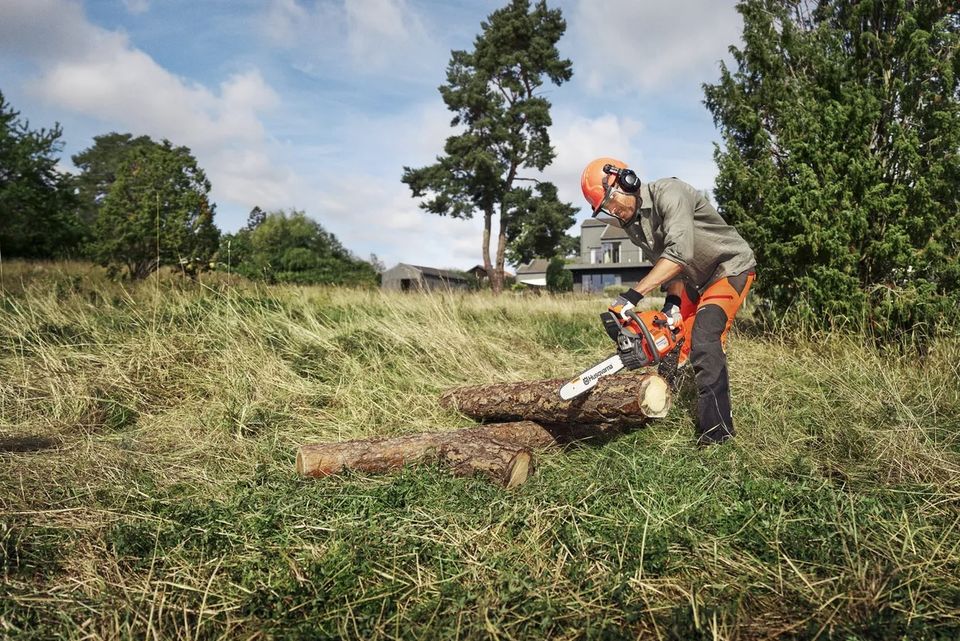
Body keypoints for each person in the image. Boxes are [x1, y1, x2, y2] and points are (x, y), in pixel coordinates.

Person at [580, 157, 757, 445]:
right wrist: (672, 302)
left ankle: (717, 434)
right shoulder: (632, 224)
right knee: (671, 338)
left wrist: (631, 297)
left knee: (704, 338)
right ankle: (661, 404)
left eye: (612, 202)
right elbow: (667, 262)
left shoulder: (669, 194)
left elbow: (679, 254)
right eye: (606, 209)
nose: (614, 212)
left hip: (728, 269)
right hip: (692, 279)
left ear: (627, 181)